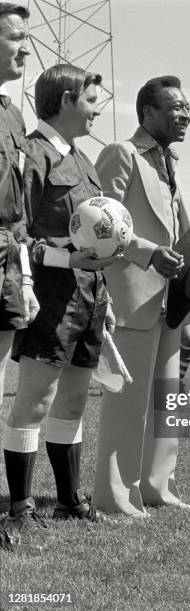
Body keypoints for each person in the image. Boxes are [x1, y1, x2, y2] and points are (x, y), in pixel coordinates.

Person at [2, 64, 117, 536]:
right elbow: (16, 236)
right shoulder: (31, 155)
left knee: (73, 398)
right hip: (47, 296)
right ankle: (21, 507)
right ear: (67, 99)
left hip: (90, 296)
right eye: (91, 101)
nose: (96, 110)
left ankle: (70, 500)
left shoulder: (85, 161)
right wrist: (66, 261)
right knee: (35, 397)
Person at [93, 75, 190, 516]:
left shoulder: (170, 163)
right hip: (132, 297)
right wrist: (148, 254)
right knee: (128, 405)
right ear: (147, 113)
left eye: (187, 106)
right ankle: (116, 497)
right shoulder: (122, 154)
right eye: (174, 106)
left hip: (171, 302)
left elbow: (183, 233)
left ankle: (157, 487)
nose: (185, 113)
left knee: (165, 399)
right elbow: (99, 222)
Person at [0, 3, 39, 404]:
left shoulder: (14, 117)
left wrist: (25, 279)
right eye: (16, 38)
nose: (25, 50)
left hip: (8, 253)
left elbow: (18, 211)